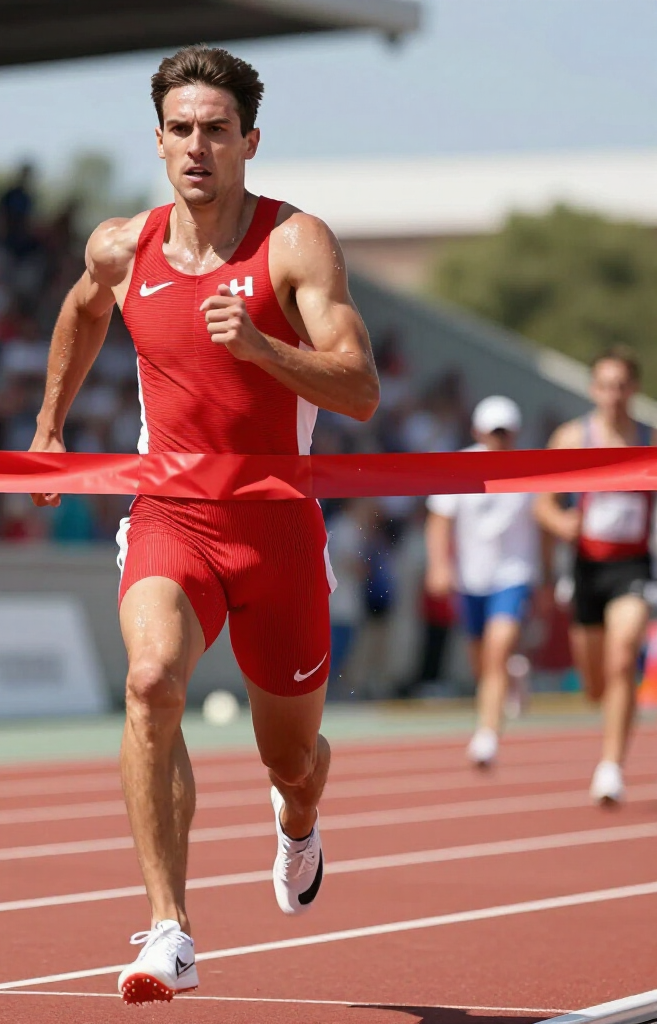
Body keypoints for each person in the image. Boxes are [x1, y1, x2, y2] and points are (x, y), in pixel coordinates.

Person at [30, 45, 377, 1004]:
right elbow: (83, 308)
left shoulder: (296, 242)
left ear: (248, 143)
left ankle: (298, 818)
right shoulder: (121, 244)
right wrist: (52, 425)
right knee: (150, 683)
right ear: (159, 141)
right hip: (171, 513)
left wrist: (264, 348)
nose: (197, 147)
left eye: (216, 131)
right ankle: (169, 929)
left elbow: (361, 389)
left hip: (277, 530)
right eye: (181, 130)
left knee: (291, 759)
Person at [535, 348, 655, 804]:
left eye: (622, 385)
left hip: (634, 566)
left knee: (624, 658)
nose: (614, 395)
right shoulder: (572, 437)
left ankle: (610, 768)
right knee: (595, 686)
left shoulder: (649, 439)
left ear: (634, 388)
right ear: (593, 389)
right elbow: (541, 502)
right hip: (586, 569)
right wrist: (560, 523)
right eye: (605, 385)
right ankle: (606, 711)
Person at [425, 396, 540, 767]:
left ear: (516, 433)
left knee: (496, 648)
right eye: (493, 432)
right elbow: (439, 519)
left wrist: (550, 575)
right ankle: (511, 676)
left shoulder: (530, 470)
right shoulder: (460, 465)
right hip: (471, 579)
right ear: (478, 431)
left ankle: (487, 734)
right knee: (482, 660)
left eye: (506, 432)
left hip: (514, 575)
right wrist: (438, 566)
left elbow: (545, 523)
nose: (499, 438)